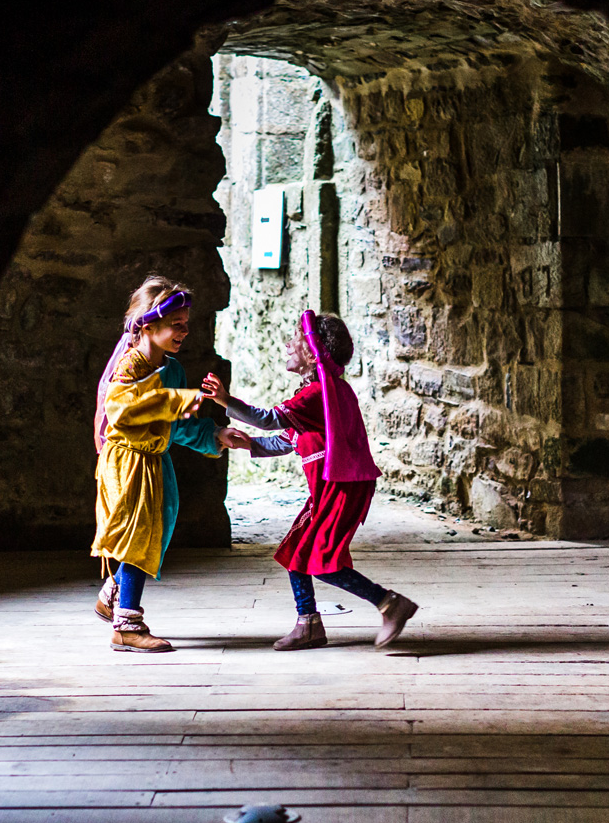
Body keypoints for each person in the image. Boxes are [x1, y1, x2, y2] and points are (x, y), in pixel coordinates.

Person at [202, 311, 418, 651]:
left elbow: (269, 419)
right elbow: (287, 439)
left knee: (322, 560)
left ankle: (390, 604)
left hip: (342, 488)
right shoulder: (321, 395)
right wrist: (250, 444)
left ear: (314, 352)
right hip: (329, 489)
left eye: (295, 339)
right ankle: (309, 625)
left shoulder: (319, 395)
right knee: (297, 553)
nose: (287, 344)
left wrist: (226, 401)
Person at [90, 276, 247, 652]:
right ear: (148, 324)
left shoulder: (172, 370)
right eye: (176, 324)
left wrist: (214, 435)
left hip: (155, 461)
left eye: (186, 325)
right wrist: (173, 401)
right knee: (137, 538)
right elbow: (122, 410)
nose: (184, 331)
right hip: (128, 464)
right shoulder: (129, 368)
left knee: (152, 535)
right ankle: (127, 625)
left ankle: (113, 593)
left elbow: (178, 427)